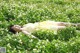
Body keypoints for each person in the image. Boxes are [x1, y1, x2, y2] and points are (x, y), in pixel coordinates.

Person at [9, 20, 80, 35]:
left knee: (62, 23)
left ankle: (76, 25)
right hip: (43, 29)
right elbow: (30, 35)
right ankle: (76, 30)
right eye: (14, 27)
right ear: (15, 30)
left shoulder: (24, 25)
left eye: (15, 25)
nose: (16, 26)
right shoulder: (23, 31)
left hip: (43, 24)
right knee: (62, 27)